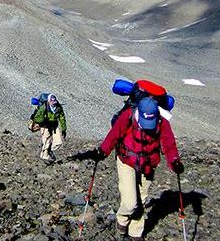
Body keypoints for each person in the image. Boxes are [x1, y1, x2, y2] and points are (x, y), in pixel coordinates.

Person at [84, 97, 184, 241]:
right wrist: (102, 151)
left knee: (142, 198)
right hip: (126, 160)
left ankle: (135, 232)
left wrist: (174, 162)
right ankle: (122, 218)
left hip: (149, 162)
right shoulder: (128, 115)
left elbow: (169, 144)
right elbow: (114, 135)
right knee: (131, 202)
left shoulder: (162, 121)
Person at [32, 93, 67, 165]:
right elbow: (37, 118)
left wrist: (64, 129)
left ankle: (49, 150)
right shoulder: (44, 107)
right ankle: (44, 158)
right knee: (46, 142)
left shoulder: (58, 107)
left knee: (58, 142)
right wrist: (44, 120)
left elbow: (62, 118)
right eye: (52, 102)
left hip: (54, 126)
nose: (54, 104)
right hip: (45, 126)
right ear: (49, 101)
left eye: (55, 102)